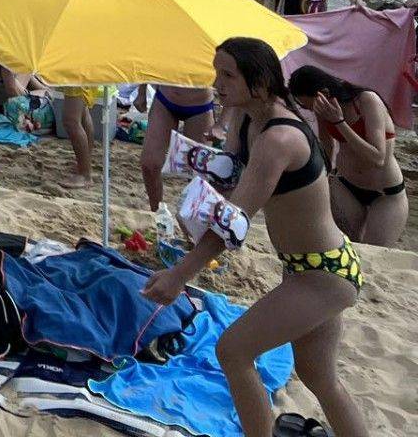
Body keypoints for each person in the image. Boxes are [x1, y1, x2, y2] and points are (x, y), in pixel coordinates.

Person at [142, 38, 366, 437]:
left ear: (259, 82)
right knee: (319, 377)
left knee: (234, 351)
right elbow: (228, 188)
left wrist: (179, 275)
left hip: (325, 272)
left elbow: (234, 221)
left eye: (227, 74)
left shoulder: (279, 138)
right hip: (307, 268)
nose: (216, 83)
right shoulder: (247, 119)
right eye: (216, 72)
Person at [287, 64, 408, 248]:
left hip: (385, 192)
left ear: (324, 93)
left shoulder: (366, 101)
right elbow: (327, 146)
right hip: (346, 185)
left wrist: (340, 122)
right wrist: (320, 175)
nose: (310, 109)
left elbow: (377, 157)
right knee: (344, 246)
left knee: (375, 250)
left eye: (308, 104)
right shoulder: (323, 109)